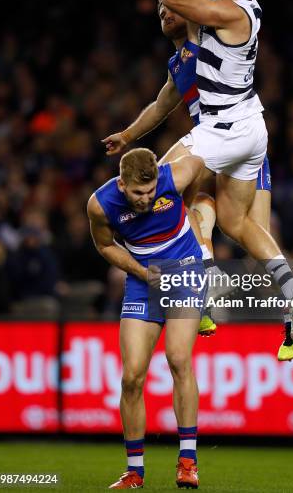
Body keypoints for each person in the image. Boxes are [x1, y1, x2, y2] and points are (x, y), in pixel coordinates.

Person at [103, 0, 293, 358]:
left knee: (159, 183)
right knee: (238, 223)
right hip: (248, 128)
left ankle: (197, 286)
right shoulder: (205, 23)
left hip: (223, 129)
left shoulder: (230, 12)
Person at [88, 148, 207, 489]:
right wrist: (140, 271)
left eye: (152, 191)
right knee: (132, 378)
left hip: (185, 274)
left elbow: (200, 163)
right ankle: (135, 472)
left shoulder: (177, 174)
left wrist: (190, 209)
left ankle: (187, 463)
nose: (146, 198)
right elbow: (105, 246)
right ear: (122, 184)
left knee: (179, 359)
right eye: (138, 193)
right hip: (143, 282)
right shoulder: (101, 204)